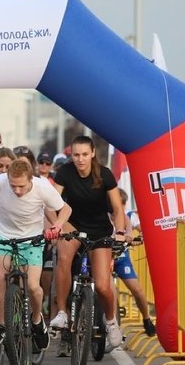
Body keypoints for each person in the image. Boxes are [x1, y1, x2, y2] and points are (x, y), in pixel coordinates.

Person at [0, 159, 70, 352]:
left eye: (22, 186)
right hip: (2, 236)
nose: (17, 191)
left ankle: (37, 319)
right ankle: (0, 325)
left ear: (30, 179)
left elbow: (65, 208)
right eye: (13, 186)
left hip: (31, 239)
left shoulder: (42, 187)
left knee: (33, 286)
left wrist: (57, 226)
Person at [49, 135, 127, 351]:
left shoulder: (104, 174)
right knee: (63, 257)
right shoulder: (64, 173)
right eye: (76, 155)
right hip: (73, 226)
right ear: (71, 155)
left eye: (84, 154)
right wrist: (59, 225)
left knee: (102, 284)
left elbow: (117, 209)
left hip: (99, 230)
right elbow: (53, 203)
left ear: (93, 153)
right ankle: (63, 313)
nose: (80, 159)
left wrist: (120, 232)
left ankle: (111, 322)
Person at [114, 189, 156, 336]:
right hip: (104, 257)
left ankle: (146, 318)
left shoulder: (130, 216)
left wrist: (140, 236)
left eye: (121, 204)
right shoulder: (104, 216)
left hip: (121, 258)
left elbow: (141, 228)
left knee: (137, 290)